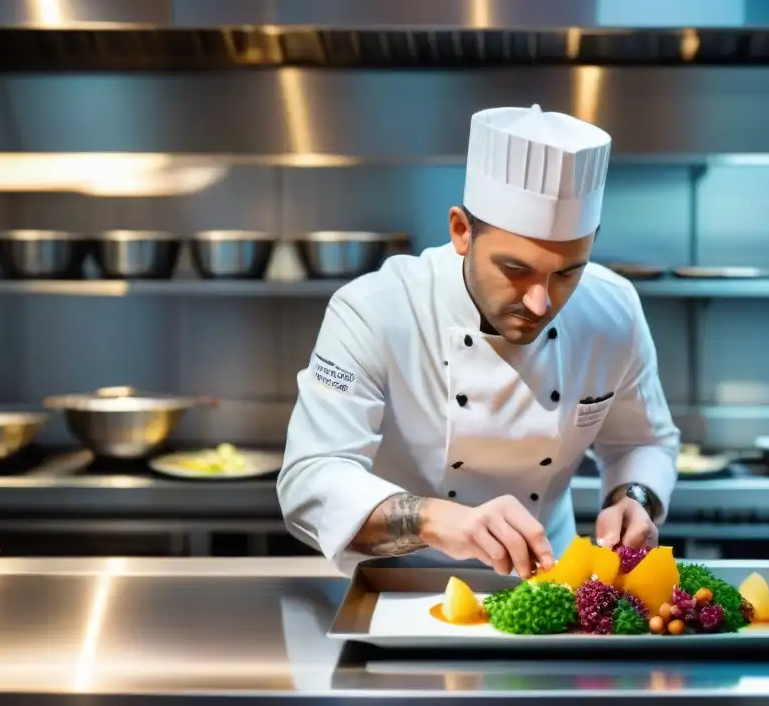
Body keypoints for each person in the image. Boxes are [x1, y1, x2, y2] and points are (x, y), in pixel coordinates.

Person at [278, 104, 681, 577]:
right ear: (461, 231)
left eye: (567, 273)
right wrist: (436, 521)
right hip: (402, 588)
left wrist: (634, 498)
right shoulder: (376, 309)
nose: (540, 302)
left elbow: (644, 442)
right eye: (515, 269)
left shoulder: (613, 311)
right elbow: (310, 481)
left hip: (553, 587)